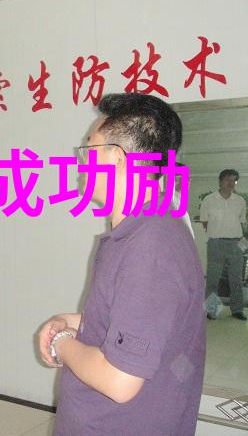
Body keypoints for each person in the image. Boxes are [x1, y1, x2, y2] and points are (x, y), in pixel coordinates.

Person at [38, 93, 206, 435]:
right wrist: (70, 321)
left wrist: (63, 343)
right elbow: (137, 322)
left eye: (88, 150)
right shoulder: (142, 230)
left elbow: (119, 380)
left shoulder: (151, 247)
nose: (80, 163)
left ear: (116, 158)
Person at [200, 169, 247, 320]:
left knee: (236, 279)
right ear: (220, 181)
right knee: (213, 279)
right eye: (228, 179)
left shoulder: (240, 201)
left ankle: (237, 310)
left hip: (236, 244)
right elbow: (205, 222)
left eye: (234, 180)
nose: (231, 183)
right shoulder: (209, 200)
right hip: (216, 243)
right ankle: (212, 311)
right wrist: (218, 232)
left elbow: (242, 223)